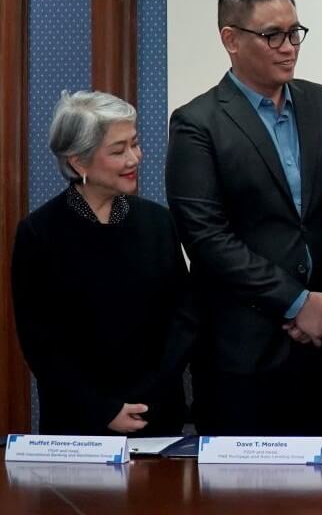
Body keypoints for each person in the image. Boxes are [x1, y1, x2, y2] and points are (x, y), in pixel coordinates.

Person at [166, 0, 322, 437]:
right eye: (272, 35)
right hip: (243, 349)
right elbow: (206, 236)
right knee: (241, 502)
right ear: (230, 40)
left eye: (295, 32)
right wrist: (295, 303)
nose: (288, 46)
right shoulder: (198, 123)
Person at [11, 91, 193, 436]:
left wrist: (147, 397)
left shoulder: (158, 221)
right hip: (78, 424)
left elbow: (183, 317)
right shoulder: (39, 233)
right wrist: (102, 409)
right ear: (79, 162)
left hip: (156, 415)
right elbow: (40, 341)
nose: (134, 158)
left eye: (134, 144)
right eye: (118, 150)